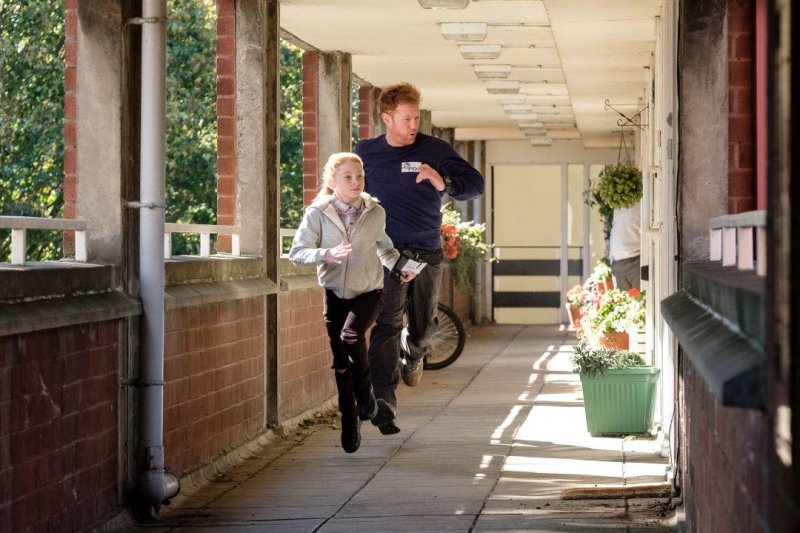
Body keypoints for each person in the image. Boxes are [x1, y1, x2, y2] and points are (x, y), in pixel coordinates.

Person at [355, 82, 485, 435]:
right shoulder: (366, 152)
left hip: (425, 251)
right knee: (386, 322)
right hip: (386, 254)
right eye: (407, 118)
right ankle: (384, 399)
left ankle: (414, 353)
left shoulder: (434, 149)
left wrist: (443, 182)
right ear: (387, 118)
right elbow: (346, 189)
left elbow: (475, 184)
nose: (414, 125)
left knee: (423, 326)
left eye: (416, 118)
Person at [288, 152, 415, 453]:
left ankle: (367, 396)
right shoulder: (317, 214)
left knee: (352, 335)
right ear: (332, 181)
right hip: (334, 294)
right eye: (348, 177)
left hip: (369, 291)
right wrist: (326, 254)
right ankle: (350, 419)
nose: (356, 182)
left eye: (359, 176)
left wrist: (401, 267)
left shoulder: (375, 212)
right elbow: (297, 253)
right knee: (341, 363)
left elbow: (385, 249)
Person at [609, 203, 641, 291]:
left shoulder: (640, 200)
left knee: (644, 296)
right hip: (618, 262)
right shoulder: (618, 203)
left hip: (636, 258)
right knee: (626, 298)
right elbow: (614, 227)